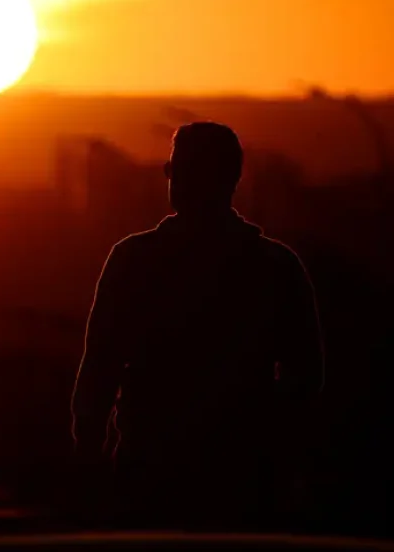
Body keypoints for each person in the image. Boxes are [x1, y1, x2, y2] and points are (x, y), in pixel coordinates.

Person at [71, 122, 325, 529]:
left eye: (178, 170)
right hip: (242, 479)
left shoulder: (133, 261)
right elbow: (305, 379)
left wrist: (88, 458)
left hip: (153, 475)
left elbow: (99, 370)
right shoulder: (275, 267)